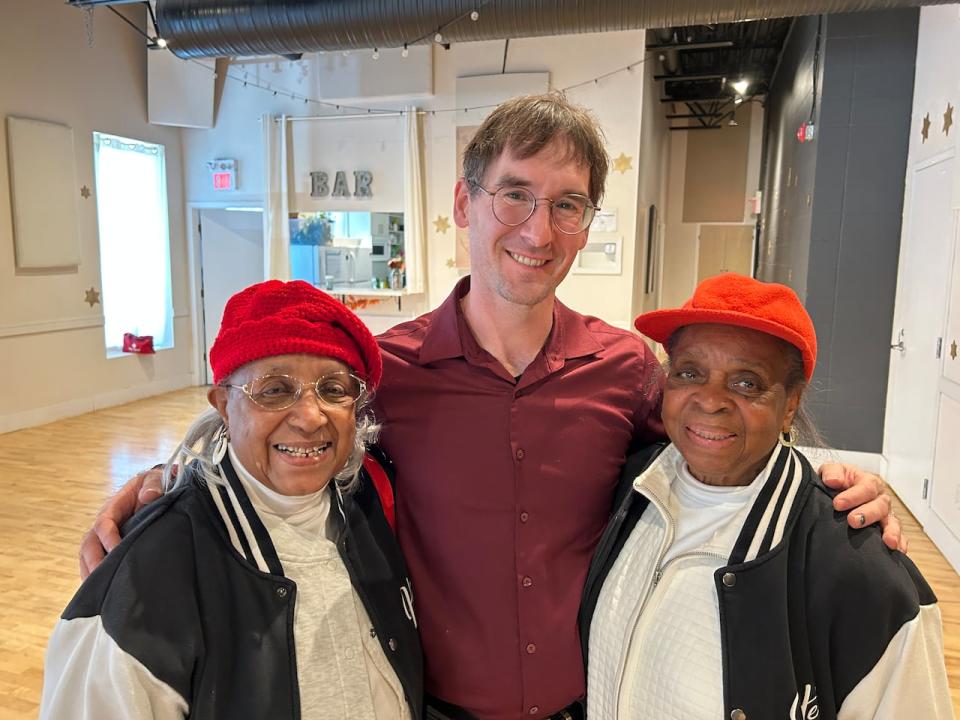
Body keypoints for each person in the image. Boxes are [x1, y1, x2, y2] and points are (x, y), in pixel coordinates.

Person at [79, 94, 902, 720]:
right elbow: (281, 436)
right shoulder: (387, 373)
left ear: (584, 225)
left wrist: (828, 489)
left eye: (568, 205)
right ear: (464, 205)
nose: (538, 230)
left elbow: (722, 451)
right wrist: (168, 481)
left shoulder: (626, 370)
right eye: (515, 194)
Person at [43, 280, 423, 719]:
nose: (310, 416)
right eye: (275, 389)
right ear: (223, 404)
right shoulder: (151, 576)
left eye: (334, 389)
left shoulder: (367, 504)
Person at [581, 273, 953, 719]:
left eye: (746, 383)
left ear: (790, 404)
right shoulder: (627, 489)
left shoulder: (865, 574)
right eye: (689, 372)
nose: (710, 400)